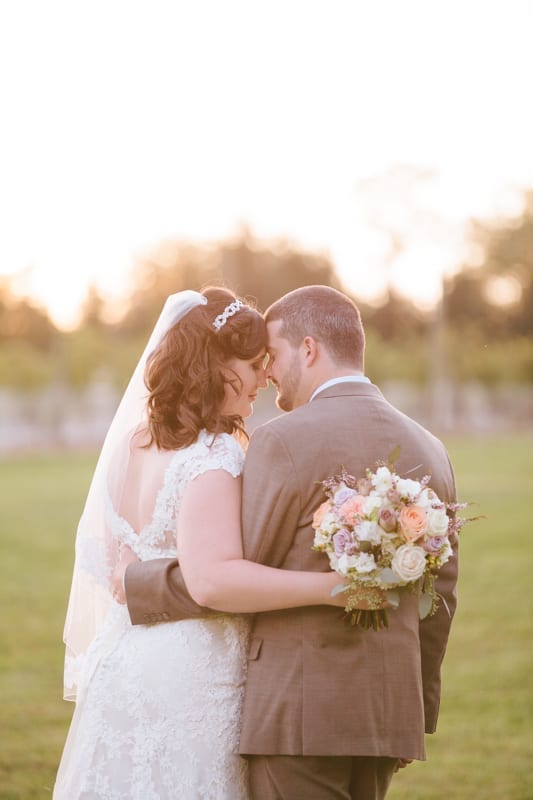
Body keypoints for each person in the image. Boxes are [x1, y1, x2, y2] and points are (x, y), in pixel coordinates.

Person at [121, 285, 459, 800]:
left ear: (308, 349)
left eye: (272, 355)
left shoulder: (281, 439)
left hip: (298, 714)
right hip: (387, 715)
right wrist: (417, 711)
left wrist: (141, 581)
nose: (267, 373)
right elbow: (440, 596)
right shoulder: (430, 448)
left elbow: (237, 569)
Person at [53, 286, 375, 800]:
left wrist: (129, 578)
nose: (262, 381)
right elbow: (214, 580)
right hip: (191, 674)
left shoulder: (131, 445)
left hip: (123, 659)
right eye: (252, 366)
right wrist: (332, 587)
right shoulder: (214, 454)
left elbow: (114, 562)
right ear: (214, 366)